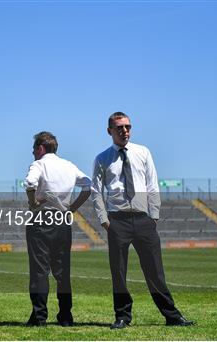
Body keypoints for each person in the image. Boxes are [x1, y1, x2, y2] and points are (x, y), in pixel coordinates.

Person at [91, 112, 195, 329]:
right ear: (109, 131)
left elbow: (152, 184)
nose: (124, 131)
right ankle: (122, 317)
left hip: (143, 219)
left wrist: (154, 216)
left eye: (128, 126)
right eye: (119, 127)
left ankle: (172, 316)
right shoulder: (102, 159)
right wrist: (104, 220)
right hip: (117, 221)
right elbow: (96, 191)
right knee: (118, 272)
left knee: (155, 271)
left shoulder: (143, 152)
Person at [24, 131, 91, 327]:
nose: (33, 154)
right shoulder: (69, 166)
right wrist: (73, 208)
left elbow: (29, 183)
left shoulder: (39, 164)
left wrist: (33, 202)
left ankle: (39, 316)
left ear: (41, 148)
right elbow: (88, 186)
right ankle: (65, 316)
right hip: (62, 221)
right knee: (62, 273)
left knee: (39, 271)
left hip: (41, 220)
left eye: (34, 150)